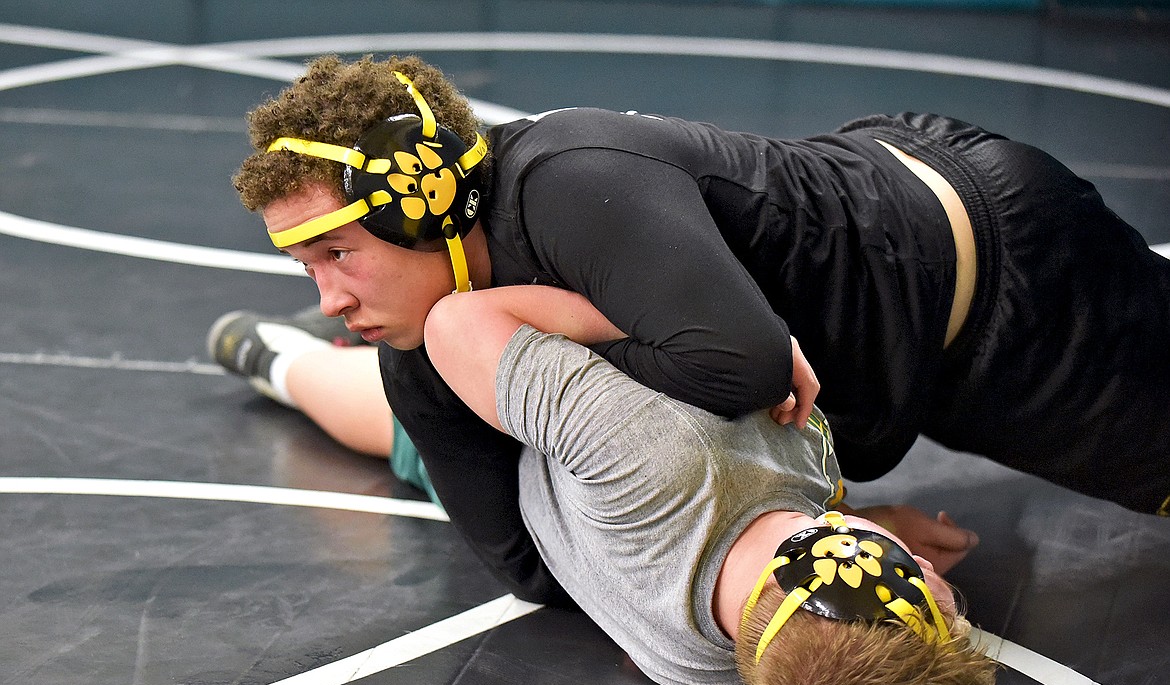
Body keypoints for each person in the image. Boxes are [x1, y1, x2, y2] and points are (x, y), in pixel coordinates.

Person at [221, 53, 1170, 606]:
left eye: (338, 256)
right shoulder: (421, 350)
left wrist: (566, 322)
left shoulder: (569, 179)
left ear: (424, 205)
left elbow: (745, 366)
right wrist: (800, 536)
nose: (331, 297)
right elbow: (530, 569)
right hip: (887, 338)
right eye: (306, 269)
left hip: (998, 271)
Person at [417, 282, 996, 685]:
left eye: (919, 579)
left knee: (349, 381)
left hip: (496, 415)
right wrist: (861, 515)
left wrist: (719, 329)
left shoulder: (664, 456)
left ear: (846, 563)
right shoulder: (733, 675)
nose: (924, 566)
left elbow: (453, 324)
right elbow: (833, 665)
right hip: (569, 480)